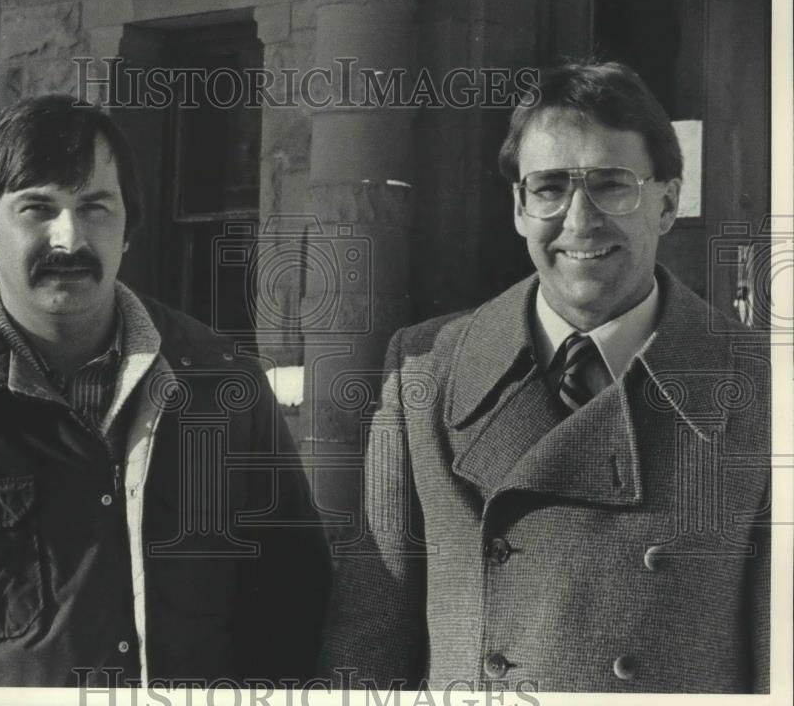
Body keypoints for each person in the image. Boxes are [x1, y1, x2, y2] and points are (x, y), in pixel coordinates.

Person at [0, 95, 330, 687]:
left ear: (129, 228)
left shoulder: (224, 388)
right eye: (37, 208)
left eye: (95, 207)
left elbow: (297, 616)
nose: (69, 237)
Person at [320, 61, 770, 693]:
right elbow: (367, 644)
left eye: (612, 185)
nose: (579, 220)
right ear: (519, 207)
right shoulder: (424, 371)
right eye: (551, 187)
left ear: (667, 202)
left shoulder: (762, 386)